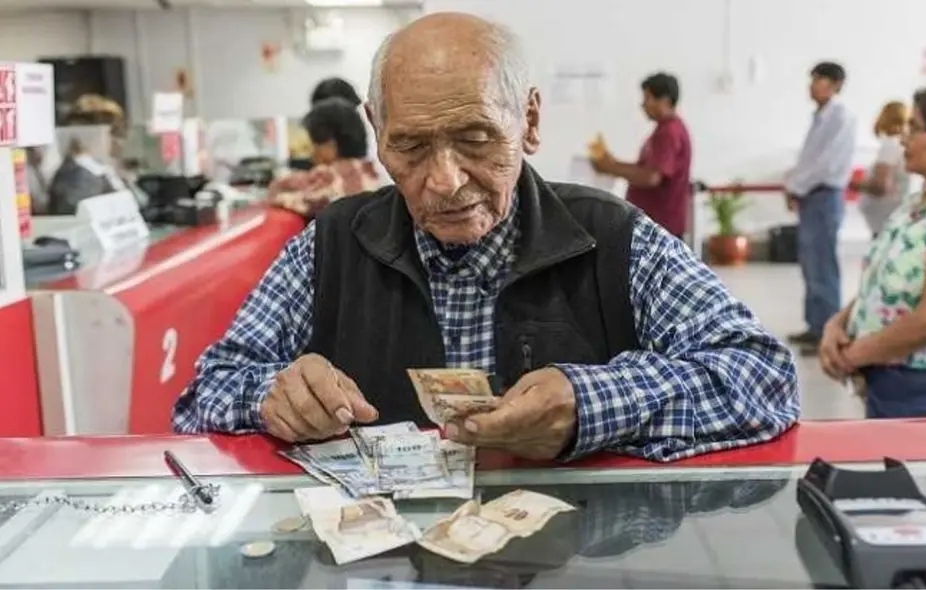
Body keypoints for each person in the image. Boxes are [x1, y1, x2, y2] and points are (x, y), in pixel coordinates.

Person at [172, 13, 799, 463]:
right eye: (410, 146)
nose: (444, 182)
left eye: (474, 139)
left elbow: (762, 375)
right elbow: (204, 393)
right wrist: (270, 396)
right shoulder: (330, 244)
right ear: (376, 128)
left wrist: (593, 402)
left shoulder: (611, 237)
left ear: (527, 121)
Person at [818, 83, 926, 418]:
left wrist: (852, 355)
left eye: (915, 128)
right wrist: (837, 324)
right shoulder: (919, 202)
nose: (903, 138)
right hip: (890, 381)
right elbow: (884, 281)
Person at [785, 62, 857, 356]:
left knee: (823, 265)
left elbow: (824, 164)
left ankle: (827, 331)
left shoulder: (841, 118)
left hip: (824, 196)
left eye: (821, 80)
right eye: (812, 80)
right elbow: (808, 161)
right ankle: (814, 326)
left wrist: (796, 186)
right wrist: (794, 187)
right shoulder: (820, 117)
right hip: (811, 197)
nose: (813, 86)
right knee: (811, 263)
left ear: (837, 84)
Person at [589, 73, 692, 238]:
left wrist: (610, 168)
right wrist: (612, 164)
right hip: (655, 224)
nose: (643, 105)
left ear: (664, 100)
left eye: (647, 99)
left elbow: (652, 177)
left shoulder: (669, 133)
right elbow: (646, 169)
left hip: (661, 226)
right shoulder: (665, 130)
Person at [268, 97, 380, 217]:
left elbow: (278, 193)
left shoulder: (327, 176)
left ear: (330, 143)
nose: (312, 152)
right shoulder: (371, 171)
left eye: (314, 143)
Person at [852, 101, 910, 237]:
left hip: (885, 220)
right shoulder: (902, 146)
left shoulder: (890, 146)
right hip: (892, 216)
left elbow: (880, 186)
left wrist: (850, 183)